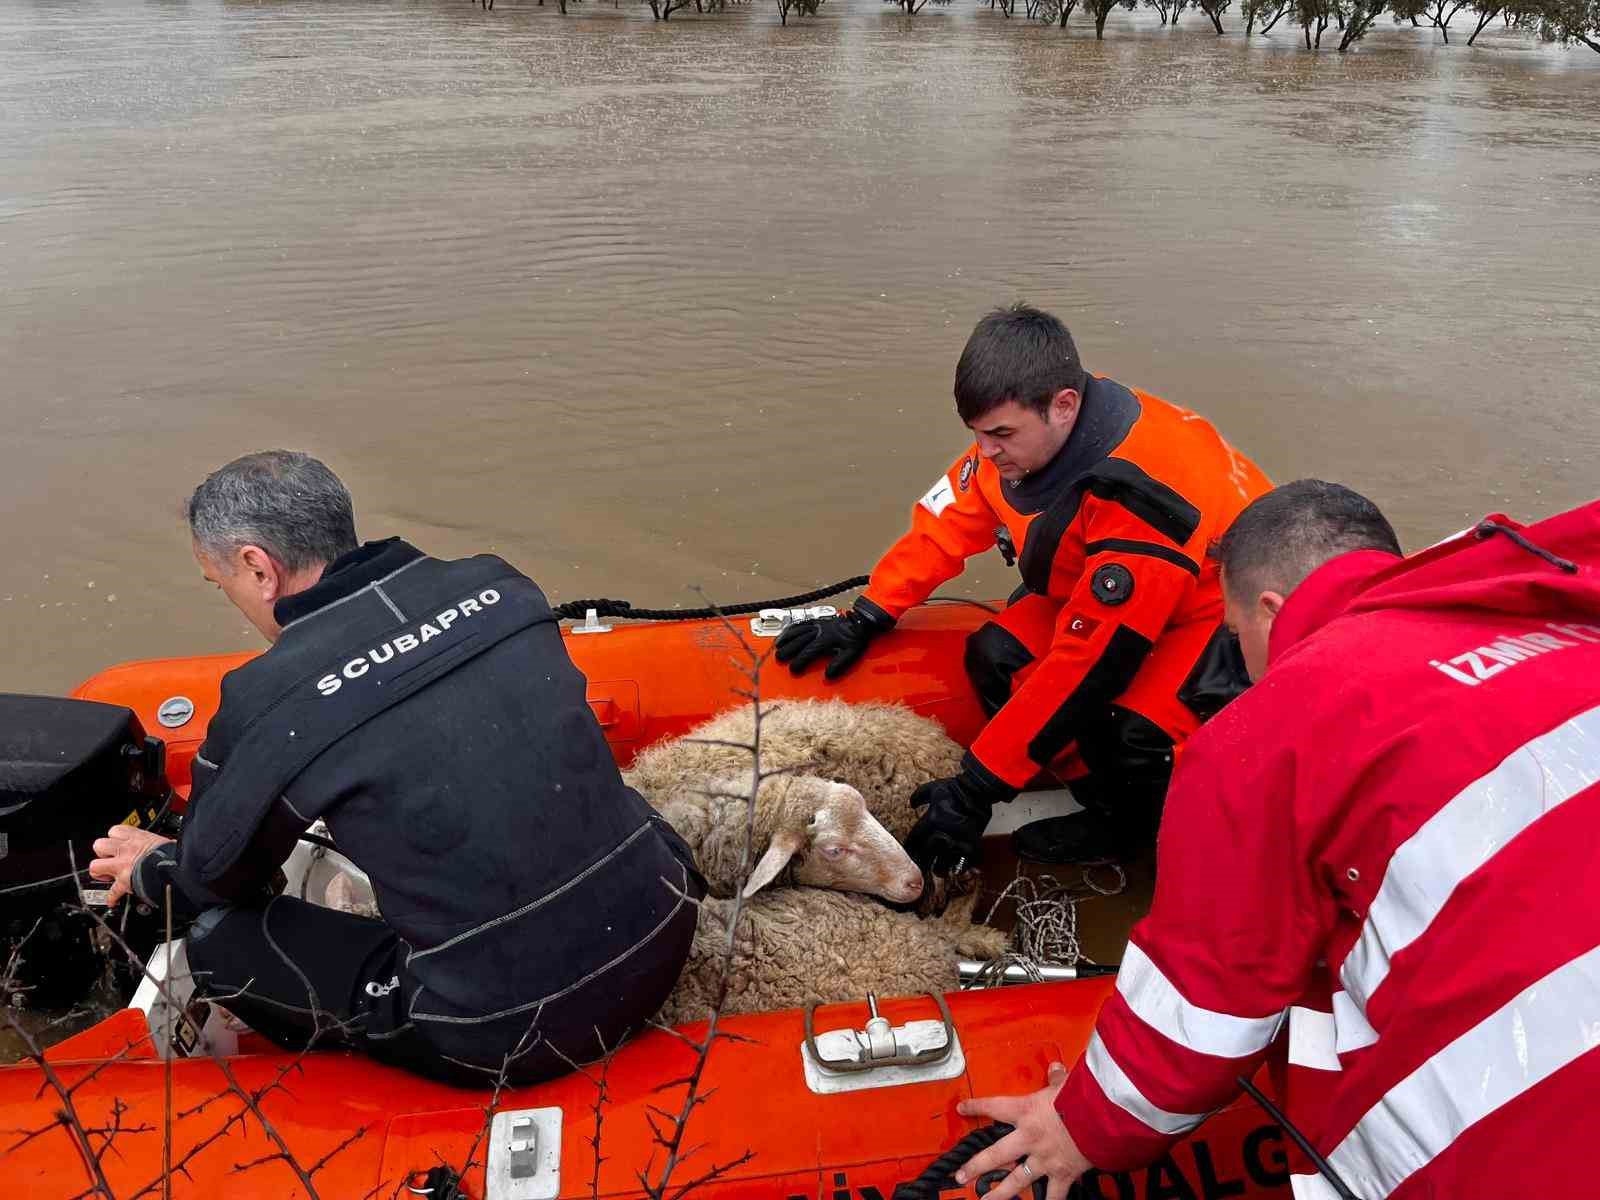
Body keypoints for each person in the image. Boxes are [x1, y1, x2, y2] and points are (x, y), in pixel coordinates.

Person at [942, 481, 1600, 1200]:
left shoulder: (1275, 729)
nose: (1240, 662)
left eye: (1233, 637)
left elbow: (1205, 1012)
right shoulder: (1556, 616)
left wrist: (1080, 1129)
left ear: (1272, 610)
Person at [89, 451, 702, 1085]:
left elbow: (214, 882)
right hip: (667, 926)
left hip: (507, 1029)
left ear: (256, 567)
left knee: (219, 943)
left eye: (224, 584)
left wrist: (148, 867)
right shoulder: (500, 585)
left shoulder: (270, 700)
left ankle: (332, 1090)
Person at [778, 304, 1270, 865]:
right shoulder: (1025, 436)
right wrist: (869, 614)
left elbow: (1091, 662)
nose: (985, 452)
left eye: (1000, 434)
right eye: (978, 434)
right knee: (995, 655)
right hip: (1112, 589)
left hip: (1216, 610)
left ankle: (1133, 829)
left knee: (1136, 736)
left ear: (1064, 406)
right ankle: (1096, 795)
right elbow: (946, 523)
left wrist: (975, 789)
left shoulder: (1140, 500)